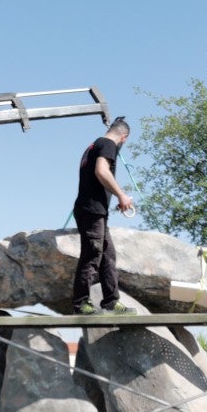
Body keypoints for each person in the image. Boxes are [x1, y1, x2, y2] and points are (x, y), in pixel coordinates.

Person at [71, 116, 135, 316]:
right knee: (92, 255)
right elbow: (101, 171)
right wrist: (122, 194)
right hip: (92, 211)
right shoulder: (107, 145)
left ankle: (111, 301)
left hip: (92, 210)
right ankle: (81, 303)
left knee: (107, 256)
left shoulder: (93, 146)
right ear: (124, 137)